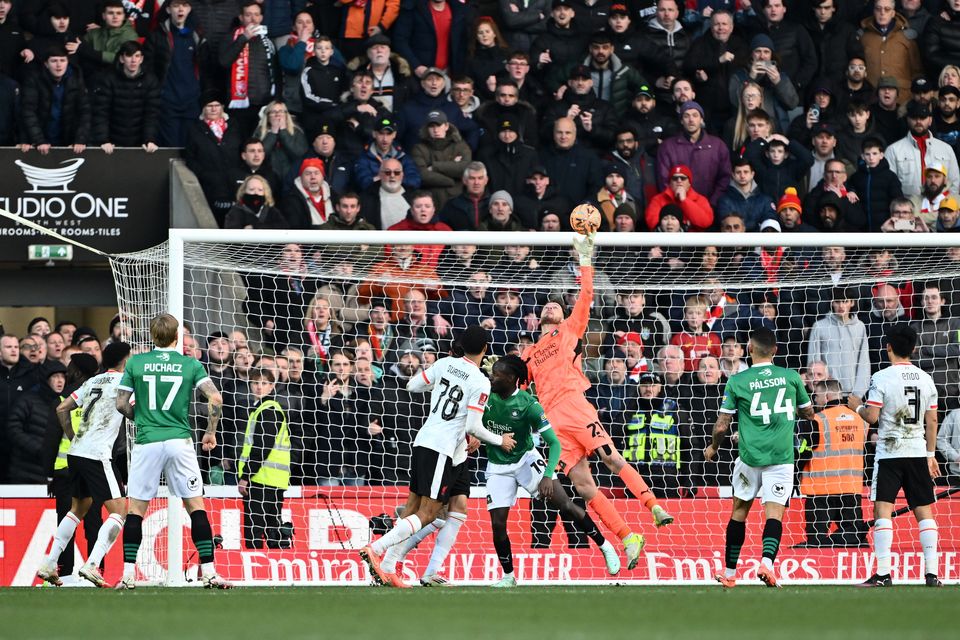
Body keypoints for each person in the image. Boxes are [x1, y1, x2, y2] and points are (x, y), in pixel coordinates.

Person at [523, 232, 673, 570]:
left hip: (575, 407)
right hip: (552, 425)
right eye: (547, 305)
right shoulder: (529, 353)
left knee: (612, 460)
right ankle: (627, 537)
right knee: (583, 486)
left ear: (562, 316)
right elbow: (518, 387)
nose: (551, 307)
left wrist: (585, 260)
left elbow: (586, 296)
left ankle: (653, 507)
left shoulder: (570, 331)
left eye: (557, 306)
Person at [359, 326, 515, 585]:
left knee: (420, 507)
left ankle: (387, 569)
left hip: (427, 441)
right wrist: (501, 440)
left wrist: (442, 387)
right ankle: (375, 550)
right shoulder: (480, 381)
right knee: (429, 513)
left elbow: (411, 385)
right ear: (486, 349)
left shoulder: (444, 364)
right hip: (442, 447)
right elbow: (472, 427)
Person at [114, 314, 230, 589]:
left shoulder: (136, 363)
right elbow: (215, 398)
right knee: (195, 506)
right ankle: (210, 572)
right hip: (180, 441)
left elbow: (120, 404)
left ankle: (128, 575)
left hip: (147, 441)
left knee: (137, 509)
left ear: (153, 336)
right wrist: (210, 431)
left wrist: (140, 418)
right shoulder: (190, 364)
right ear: (177, 337)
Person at [705, 327, 815, 588]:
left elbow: (721, 426)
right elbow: (809, 413)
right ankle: (767, 564)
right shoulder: (790, 378)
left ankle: (730, 574)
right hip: (781, 458)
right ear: (775, 351)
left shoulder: (737, 381)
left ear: (749, 349)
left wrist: (713, 447)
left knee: (739, 512)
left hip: (749, 457)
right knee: (774, 514)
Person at [847, 323, 942, 587]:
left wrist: (857, 407)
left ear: (888, 347)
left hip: (890, 453)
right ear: (913, 349)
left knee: (883, 511)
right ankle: (932, 574)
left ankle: (883, 574)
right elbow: (932, 419)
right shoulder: (926, 378)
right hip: (916, 451)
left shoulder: (882, 377)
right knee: (924, 511)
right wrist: (930, 454)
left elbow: (872, 416)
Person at [37, 343, 132, 587]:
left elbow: (62, 408)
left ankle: (49, 563)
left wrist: (71, 435)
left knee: (78, 509)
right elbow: (125, 406)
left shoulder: (92, 382)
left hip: (76, 453)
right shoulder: (125, 381)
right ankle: (92, 564)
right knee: (119, 511)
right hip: (98, 454)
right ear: (124, 360)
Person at [797, 378, 868, 548]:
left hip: (821, 490)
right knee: (853, 540)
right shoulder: (860, 419)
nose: (814, 400)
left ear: (826, 396)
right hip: (850, 489)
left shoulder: (817, 420)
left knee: (816, 542)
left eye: (816, 396)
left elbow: (804, 451)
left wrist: (795, 470)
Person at [237, 367, 291, 549]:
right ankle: (277, 569)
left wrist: (246, 476)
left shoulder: (268, 410)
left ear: (272, 386)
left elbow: (261, 447)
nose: (259, 387)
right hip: (272, 479)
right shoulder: (262, 409)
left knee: (255, 530)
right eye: (255, 383)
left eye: (264, 383)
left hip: (261, 479)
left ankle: (256, 570)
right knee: (272, 528)